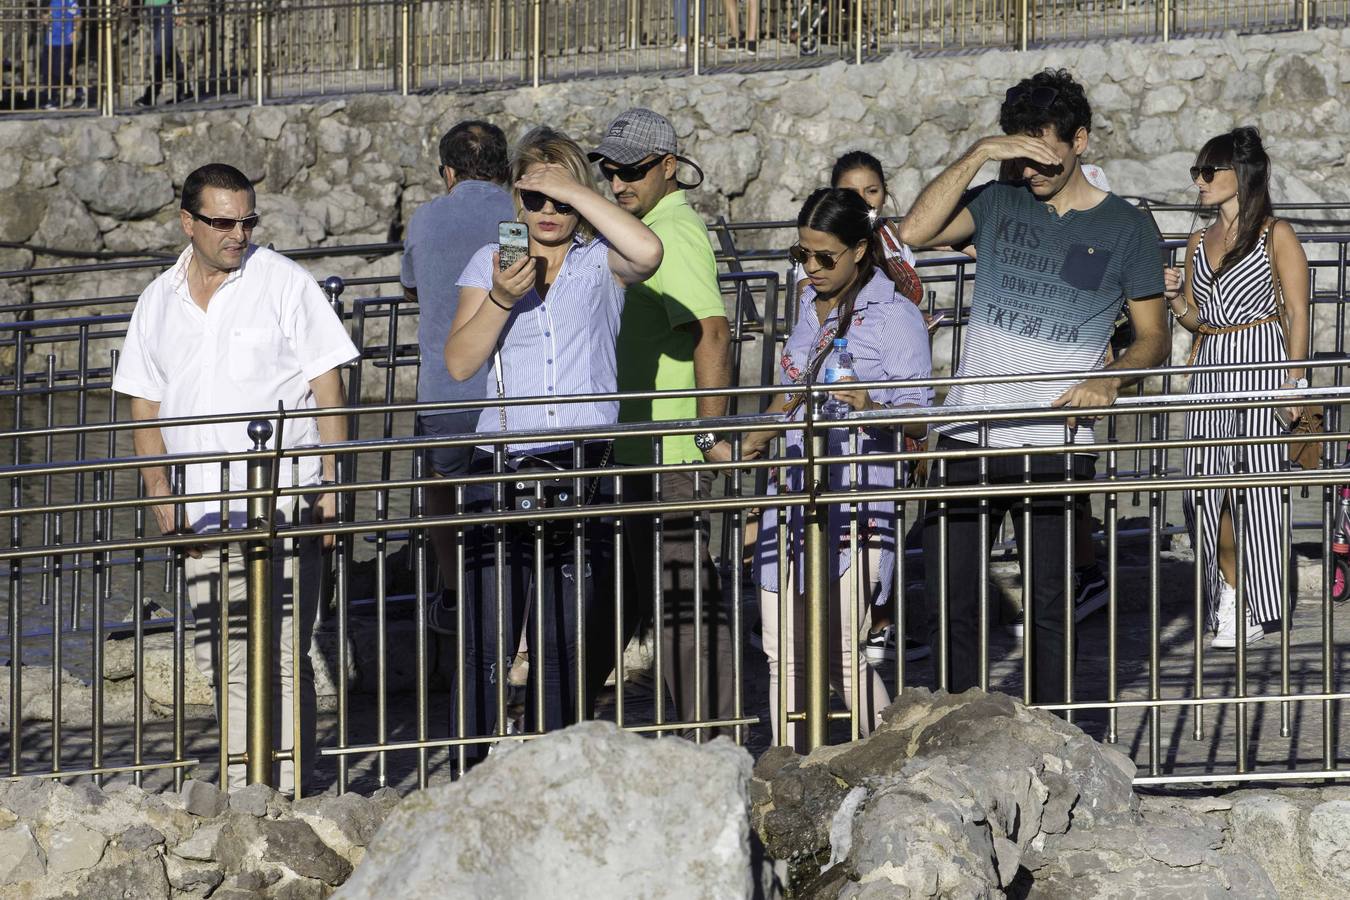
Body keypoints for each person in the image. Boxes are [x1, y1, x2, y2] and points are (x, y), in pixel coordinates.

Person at [899, 68, 1169, 704]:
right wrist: (982, 154)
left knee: (1051, 608)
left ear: (1081, 141)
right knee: (950, 601)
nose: (1032, 168)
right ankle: (955, 735)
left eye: (1043, 151)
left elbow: (1152, 337)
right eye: (1019, 152)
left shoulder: (1128, 228)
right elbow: (912, 233)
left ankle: (1051, 741)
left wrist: (1109, 379)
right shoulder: (998, 199)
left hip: (1051, 435)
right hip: (968, 431)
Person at [114, 163, 358, 792]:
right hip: (201, 506)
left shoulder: (283, 282)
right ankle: (247, 780)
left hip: (286, 497)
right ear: (187, 221)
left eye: (247, 220)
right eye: (223, 221)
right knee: (221, 655)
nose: (238, 233)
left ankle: (275, 789)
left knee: (278, 651)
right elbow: (144, 403)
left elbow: (329, 384)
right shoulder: (156, 299)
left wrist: (332, 484)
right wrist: (161, 495)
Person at [444, 126, 662, 759]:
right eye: (534, 199)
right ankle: (470, 768)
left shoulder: (601, 262)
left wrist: (574, 189)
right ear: (516, 199)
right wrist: (499, 299)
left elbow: (647, 252)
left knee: (563, 633)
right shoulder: (492, 262)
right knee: (488, 633)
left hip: (580, 461)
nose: (547, 213)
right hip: (503, 460)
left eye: (559, 201)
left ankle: (556, 765)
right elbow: (460, 363)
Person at [744, 188, 932, 751]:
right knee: (782, 650)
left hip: (856, 499)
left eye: (825, 257)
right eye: (803, 254)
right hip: (792, 491)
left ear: (859, 250)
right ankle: (785, 771)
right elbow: (791, 392)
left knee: (842, 653)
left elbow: (921, 418)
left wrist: (870, 405)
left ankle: (890, 764)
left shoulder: (895, 316)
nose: (812, 267)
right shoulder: (806, 303)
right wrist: (754, 441)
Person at [585, 108, 736, 737]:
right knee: (613, 603)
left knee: (684, 607)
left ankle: (718, 745)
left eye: (635, 171)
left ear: (668, 168)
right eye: (611, 171)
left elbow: (712, 330)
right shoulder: (641, 227)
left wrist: (708, 435)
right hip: (632, 452)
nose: (620, 183)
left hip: (667, 455)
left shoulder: (676, 229)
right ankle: (556, 729)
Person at [1165, 127, 1309, 648]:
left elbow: (1296, 311)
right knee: (1207, 494)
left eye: (1210, 171)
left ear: (1240, 176)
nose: (1200, 181)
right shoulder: (1198, 241)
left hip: (1264, 365)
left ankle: (1255, 603)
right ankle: (1227, 592)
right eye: (1197, 172)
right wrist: (1178, 300)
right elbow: (1199, 322)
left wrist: (1296, 385)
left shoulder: (1277, 234)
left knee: (1260, 495)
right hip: (1210, 373)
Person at [403, 121, 515, 634]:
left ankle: (453, 592)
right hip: (508, 390)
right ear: (506, 169)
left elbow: (410, 284)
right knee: (509, 495)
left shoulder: (426, 218)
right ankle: (510, 600)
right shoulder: (524, 213)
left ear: (447, 172)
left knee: (441, 483)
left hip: (445, 390)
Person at [821, 150, 927, 667]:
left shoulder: (893, 246)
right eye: (852, 193)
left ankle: (878, 617)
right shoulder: (820, 261)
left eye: (873, 192)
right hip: (836, 414)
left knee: (881, 515)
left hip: (887, 397)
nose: (865, 202)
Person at [136, 0, 186, 106]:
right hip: (150, 7)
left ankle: (151, 94)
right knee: (168, 49)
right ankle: (184, 89)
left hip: (167, 6)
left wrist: (183, 7)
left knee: (161, 49)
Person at [38, 0, 80, 109]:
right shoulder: (50, 2)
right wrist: (45, 18)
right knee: (47, 72)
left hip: (65, 41)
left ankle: (75, 89)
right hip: (50, 41)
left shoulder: (70, 2)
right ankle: (52, 99)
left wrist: (75, 31)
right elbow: (44, 19)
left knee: (59, 70)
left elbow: (78, 17)